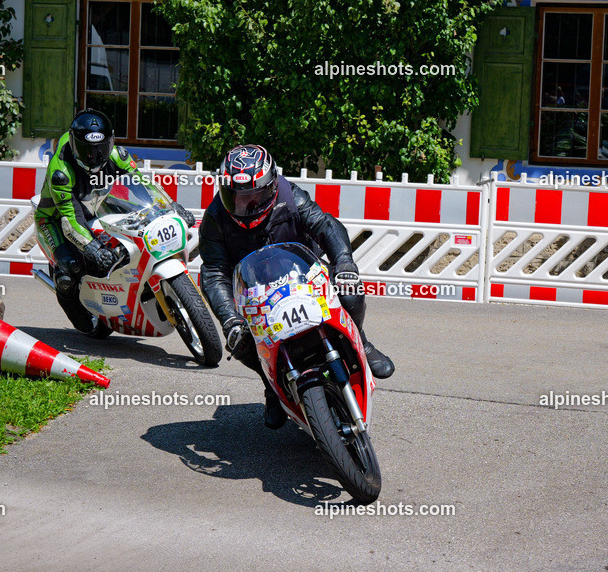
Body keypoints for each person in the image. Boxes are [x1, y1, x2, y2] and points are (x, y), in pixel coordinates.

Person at [198, 144, 395, 429]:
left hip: (302, 272)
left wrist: (344, 264)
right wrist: (229, 318)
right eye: (237, 198)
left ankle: (361, 342)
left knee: (350, 292)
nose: (246, 206)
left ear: (272, 186)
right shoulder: (215, 218)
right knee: (240, 342)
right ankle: (271, 384)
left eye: (255, 196)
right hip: (255, 291)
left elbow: (325, 225)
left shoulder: (290, 196)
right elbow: (214, 272)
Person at [34, 108, 195, 333]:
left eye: (100, 150)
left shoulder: (117, 155)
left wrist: (172, 207)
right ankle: (77, 312)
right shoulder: (61, 172)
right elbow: (71, 221)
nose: (94, 157)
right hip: (56, 219)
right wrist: (92, 248)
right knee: (69, 270)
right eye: (86, 150)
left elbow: (143, 184)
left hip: (97, 203)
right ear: (73, 144)